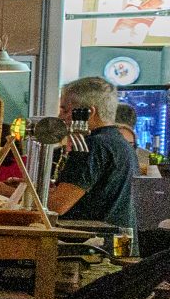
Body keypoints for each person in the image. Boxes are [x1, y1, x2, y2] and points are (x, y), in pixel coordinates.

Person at [50, 75, 137, 235]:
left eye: (65, 110)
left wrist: (7, 193)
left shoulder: (92, 145)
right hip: (120, 243)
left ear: (88, 112)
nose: (60, 116)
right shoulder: (122, 144)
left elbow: (58, 205)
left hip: (92, 248)